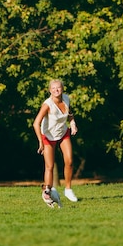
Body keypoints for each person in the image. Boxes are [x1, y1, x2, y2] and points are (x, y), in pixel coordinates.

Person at [32, 79, 78, 207]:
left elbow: (69, 114)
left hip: (63, 132)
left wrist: (72, 124)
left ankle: (68, 189)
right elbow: (36, 123)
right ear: (49, 90)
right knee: (50, 166)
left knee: (69, 161)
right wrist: (40, 142)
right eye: (53, 88)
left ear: (62, 88)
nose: (56, 90)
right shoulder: (47, 105)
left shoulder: (66, 98)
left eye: (58, 88)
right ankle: (48, 193)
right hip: (48, 136)